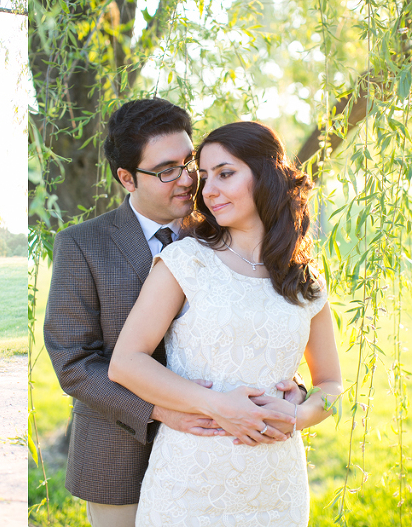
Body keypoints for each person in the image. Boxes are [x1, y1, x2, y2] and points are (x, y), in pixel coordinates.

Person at [43, 99, 300, 527]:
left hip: (218, 459)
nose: (187, 180)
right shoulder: (83, 244)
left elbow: (263, 321)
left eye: (189, 163)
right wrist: (162, 411)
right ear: (127, 178)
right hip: (119, 448)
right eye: (167, 170)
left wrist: (290, 387)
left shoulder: (223, 233)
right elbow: (73, 363)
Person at [109, 121, 343, 526]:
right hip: (190, 485)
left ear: (267, 174)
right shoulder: (187, 261)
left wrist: (297, 416)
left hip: (277, 488)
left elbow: (332, 384)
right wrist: (218, 406)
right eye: (204, 177)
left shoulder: (305, 279)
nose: (209, 190)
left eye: (225, 173)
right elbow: (126, 362)